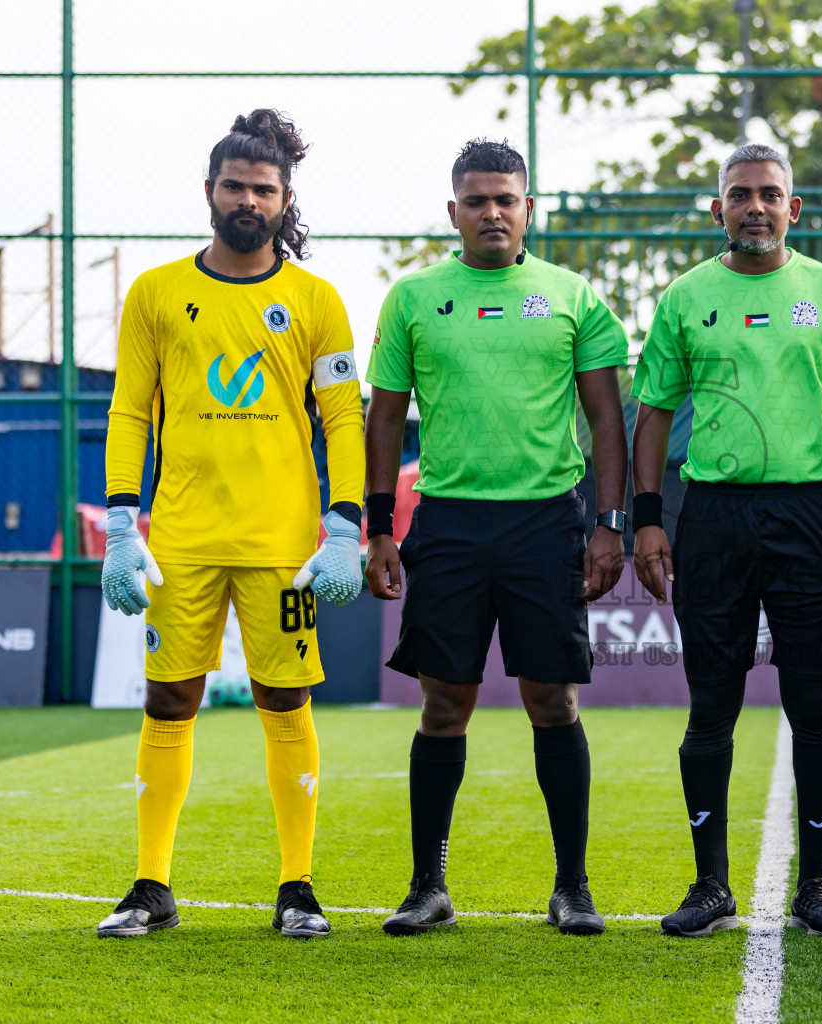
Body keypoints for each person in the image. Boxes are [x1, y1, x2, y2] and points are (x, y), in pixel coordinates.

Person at [97, 110, 365, 939]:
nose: (248, 198)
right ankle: (151, 886)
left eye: (264, 188)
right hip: (178, 539)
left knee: (285, 699)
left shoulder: (316, 300)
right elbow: (129, 412)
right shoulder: (155, 293)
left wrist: (347, 526)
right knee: (169, 698)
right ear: (208, 192)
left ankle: (298, 888)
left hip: (283, 544)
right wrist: (118, 524)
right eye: (234, 185)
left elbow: (343, 421)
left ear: (286, 200)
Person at [364, 139, 629, 937]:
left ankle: (572, 887)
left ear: (528, 210)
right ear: (454, 212)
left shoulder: (572, 295)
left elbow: (607, 418)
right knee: (444, 705)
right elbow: (383, 417)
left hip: (546, 520)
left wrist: (608, 525)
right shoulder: (412, 299)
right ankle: (427, 886)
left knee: (553, 699)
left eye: (505, 200)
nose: (492, 213)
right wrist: (381, 527)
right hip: (446, 522)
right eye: (476, 201)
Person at [631, 144, 822, 939]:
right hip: (710, 516)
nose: (755, 207)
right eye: (739, 195)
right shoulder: (684, 298)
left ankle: (815, 885)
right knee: (711, 706)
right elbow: (653, 416)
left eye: (769, 195)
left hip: (810, 512)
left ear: (794, 209)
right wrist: (646, 517)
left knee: (814, 705)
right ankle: (710, 884)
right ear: (717, 210)